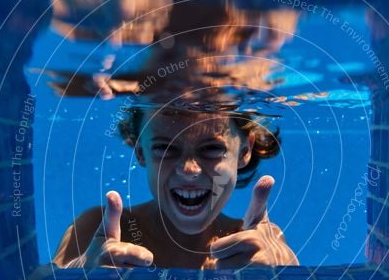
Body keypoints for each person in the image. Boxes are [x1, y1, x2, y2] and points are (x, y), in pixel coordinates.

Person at [52, 106, 299, 269]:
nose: (188, 170)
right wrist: (78, 276)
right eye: (165, 148)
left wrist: (285, 270)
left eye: (211, 149)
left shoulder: (257, 245)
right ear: (141, 152)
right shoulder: (94, 233)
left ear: (245, 151)